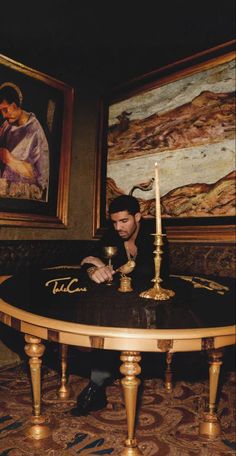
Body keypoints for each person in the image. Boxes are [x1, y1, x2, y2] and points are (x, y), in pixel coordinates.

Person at [71, 194, 165, 416]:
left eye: (124, 221)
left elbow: (155, 274)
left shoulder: (155, 237)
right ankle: (98, 384)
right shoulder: (113, 236)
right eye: (114, 222)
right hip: (120, 304)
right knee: (104, 316)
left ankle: (102, 380)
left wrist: (114, 269)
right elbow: (85, 257)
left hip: (152, 304)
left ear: (138, 217)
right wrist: (94, 268)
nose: (119, 227)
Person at [0, 84, 49, 201]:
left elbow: (42, 181)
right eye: (1, 111)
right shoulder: (7, 124)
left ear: (15, 105)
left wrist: (10, 160)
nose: (3, 115)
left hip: (20, 199)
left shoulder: (36, 132)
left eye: (5, 110)